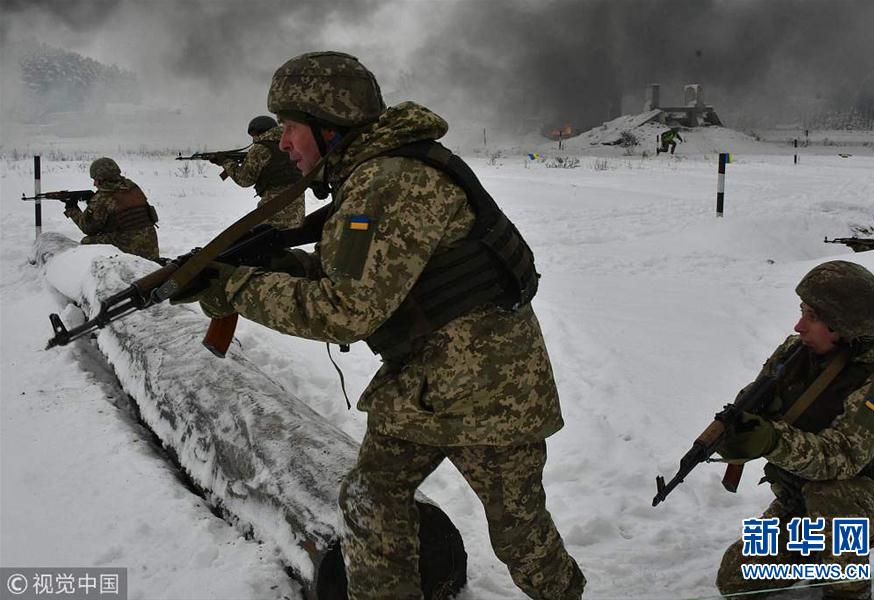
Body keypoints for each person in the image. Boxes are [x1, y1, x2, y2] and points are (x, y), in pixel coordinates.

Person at [173, 51, 585, 599]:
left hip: (489, 388)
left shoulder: (389, 182)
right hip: (423, 381)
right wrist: (270, 267)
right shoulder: (372, 174)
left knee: (521, 536)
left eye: (291, 127)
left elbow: (344, 310)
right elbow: (356, 276)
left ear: (329, 123)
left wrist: (238, 289)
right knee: (371, 499)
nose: (283, 143)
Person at [715, 261, 874, 600]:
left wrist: (772, 439)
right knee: (736, 578)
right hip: (802, 493)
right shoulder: (796, 352)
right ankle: (823, 550)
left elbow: (840, 457)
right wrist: (740, 431)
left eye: (812, 317)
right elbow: (751, 400)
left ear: (843, 325)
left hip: (870, 497)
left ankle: (848, 590)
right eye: (802, 311)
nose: (799, 326)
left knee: (831, 494)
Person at [210, 115, 305, 229]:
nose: (253, 139)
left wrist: (226, 162)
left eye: (253, 135)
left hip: (273, 216)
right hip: (297, 214)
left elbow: (244, 180)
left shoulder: (260, 149)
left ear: (261, 130)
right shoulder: (291, 145)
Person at [64, 157, 159, 261]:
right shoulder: (132, 186)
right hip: (151, 247)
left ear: (101, 179)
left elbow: (88, 228)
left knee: (86, 241)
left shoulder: (102, 197)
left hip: (131, 250)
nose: (94, 184)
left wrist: (72, 209)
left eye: (95, 180)